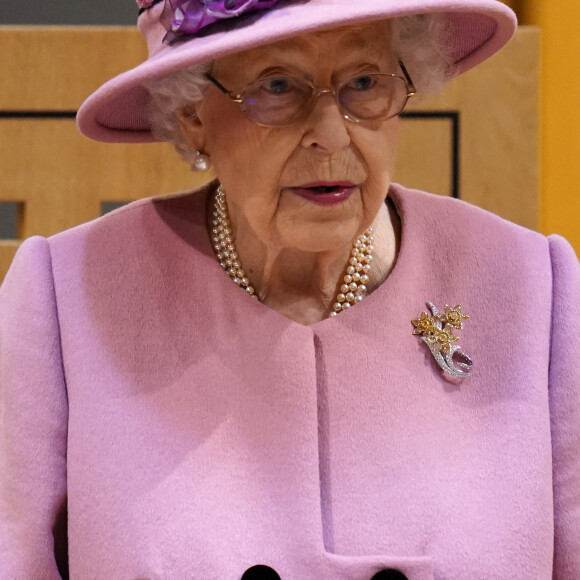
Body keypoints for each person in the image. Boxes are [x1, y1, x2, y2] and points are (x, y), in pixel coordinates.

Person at [0, 0, 578, 578]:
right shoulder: (68, 296)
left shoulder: (535, 289)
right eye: (277, 86)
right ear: (192, 114)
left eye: (364, 82)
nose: (330, 136)